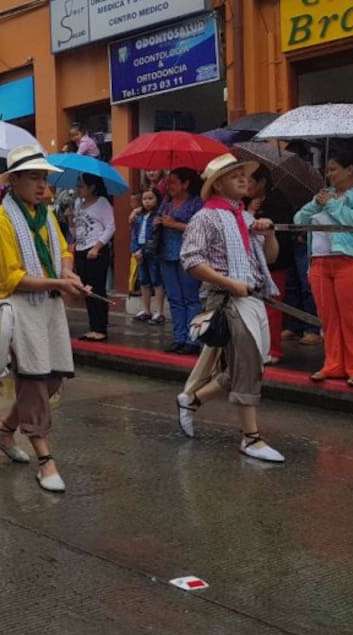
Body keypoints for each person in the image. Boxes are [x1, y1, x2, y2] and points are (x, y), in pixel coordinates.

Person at [0, 145, 88, 493]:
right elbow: (11, 278)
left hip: (50, 304)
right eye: (33, 178)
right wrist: (60, 282)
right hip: (21, 308)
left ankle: (3, 431)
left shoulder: (44, 216)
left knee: (54, 377)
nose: (42, 186)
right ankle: (45, 459)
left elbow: (64, 251)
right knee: (33, 380)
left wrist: (68, 275)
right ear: (14, 181)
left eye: (44, 178)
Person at [176, 153, 283, 462]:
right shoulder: (205, 217)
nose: (242, 178)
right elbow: (191, 260)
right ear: (217, 183)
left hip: (253, 297)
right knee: (248, 364)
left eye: (243, 174)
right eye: (233, 174)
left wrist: (269, 233)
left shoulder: (247, 219)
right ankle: (251, 438)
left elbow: (271, 258)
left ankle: (192, 399)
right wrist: (229, 283)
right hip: (228, 300)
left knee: (247, 364)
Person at [294, 146, 353, 387]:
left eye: (333, 169)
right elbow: (300, 220)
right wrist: (317, 205)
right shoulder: (324, 194)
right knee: (328, 318)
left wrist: (332, 205)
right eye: (327, 170)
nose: (328, 174)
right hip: (320, 261)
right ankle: (333, 364)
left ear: (349, 170)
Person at [247, 166, 297, 364]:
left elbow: (283, 230)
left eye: (250, 181)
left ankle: (273, 350)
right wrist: (250, 210)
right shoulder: (242, 202)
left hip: (275, 262)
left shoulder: (278, 200)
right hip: (251, 262)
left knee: (272, 308)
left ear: (262, 182)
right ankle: (254, 348)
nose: (246, 185)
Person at [157, 168, 205, 354]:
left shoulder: (196, 204)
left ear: (185, 184)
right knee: (175, 298)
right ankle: (179, 336)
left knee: (191, 298)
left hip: (188, 255)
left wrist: (174, 225)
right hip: (166, 254)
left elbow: (200, 228)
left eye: (173, 182)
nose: (169, 187)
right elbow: (158, 219)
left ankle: (193, 339)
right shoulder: (166, 203)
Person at [71, 174, 115, 341]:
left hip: (96, 251)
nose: (78, 189)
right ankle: (92, 326)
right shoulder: (78, 204)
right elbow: (77, 229)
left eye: (81, 186)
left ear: (92, 187)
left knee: (97, 289)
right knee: (86, 290)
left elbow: (110, 226)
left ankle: (101, 328)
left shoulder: (102, 203)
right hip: (81, 249)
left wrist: (97, 247)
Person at [130, 188, 166, 325]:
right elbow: (134, 234)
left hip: (152, 253)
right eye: (145, 199)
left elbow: (155, 237)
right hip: (139, 251)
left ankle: (160, 311)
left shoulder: (158, 216)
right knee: (144, 281)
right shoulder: (139, 217)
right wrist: (135, 250)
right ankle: (146, 310)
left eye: (151, 198)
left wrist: (143, 251)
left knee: (157, 281)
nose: (147, 202)